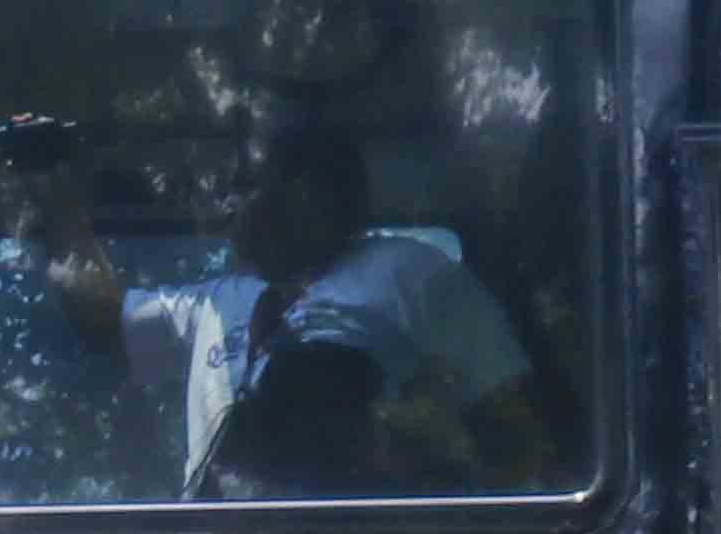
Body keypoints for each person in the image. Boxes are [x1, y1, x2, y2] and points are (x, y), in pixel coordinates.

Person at [37, 105, 545, 499]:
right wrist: (57, 196)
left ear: (311, 192)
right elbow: (101, 319)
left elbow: (517, 437)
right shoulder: (216, 303)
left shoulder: (412, 272)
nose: (232, 203)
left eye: (250, 182)